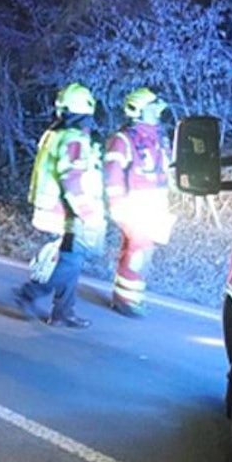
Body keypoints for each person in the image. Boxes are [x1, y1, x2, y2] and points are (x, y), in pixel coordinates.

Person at [15, 82, 106, 329]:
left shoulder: (56, 134)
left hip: (57, 208)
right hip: (66, 211)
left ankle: (63, 312)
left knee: (71, 261)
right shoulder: (73, 139)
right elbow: (72, 179)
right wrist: (86, 212)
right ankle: (29, 293)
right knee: (71, 262)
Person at [104, 87, 174, 318]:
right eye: (153, 106)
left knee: (142, 250)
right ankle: (126, 299)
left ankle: (127, 295)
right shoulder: (123, 139)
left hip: (155, 205)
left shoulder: (158, 137)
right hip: (135, 205)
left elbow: (166, 171)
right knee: (139, 251)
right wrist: (117, 205)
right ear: (141, 110)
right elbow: (112, 174)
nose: (157, 110)